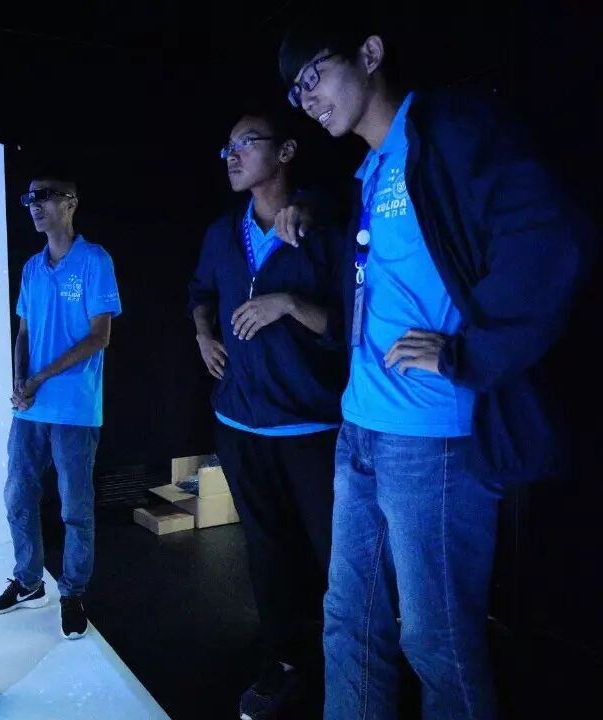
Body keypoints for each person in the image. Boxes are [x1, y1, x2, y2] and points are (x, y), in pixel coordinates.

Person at [276, 15, 592, 719]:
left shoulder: (453, 128)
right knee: (347, 621)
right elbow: (394, 260)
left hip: (432, 440)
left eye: (314, 75)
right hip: (359, 426)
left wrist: (468, 353)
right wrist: (313, 209)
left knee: (436, 642)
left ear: (369, 52)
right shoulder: (371, 168)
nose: (307, 98)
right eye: (296, 92)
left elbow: (550, 237)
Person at [187, 108, 348, 720]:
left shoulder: (324, 230)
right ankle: (284, 664)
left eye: (244, 143)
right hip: (240, 425)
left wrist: (287, 303)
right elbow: (200, 291)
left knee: (336, 556)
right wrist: (204, 334)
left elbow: (348, 326)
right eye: (225, 147)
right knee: (267, 553)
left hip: (311, 428)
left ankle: (354, 669)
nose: (230, 156)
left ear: (285, 152)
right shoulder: (221, 233)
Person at [0, 167, 122, 641]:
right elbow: (23, 331)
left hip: (75, 409)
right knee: (17, 495)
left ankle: (73, 592)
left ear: (70, 202)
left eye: (45, 196)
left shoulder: (94, 260)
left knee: (75, 507)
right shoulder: (31, 268)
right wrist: (20, 380)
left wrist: (39, 377)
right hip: (30, 407)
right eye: (30, 198)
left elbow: (99, 336)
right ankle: (28, 581)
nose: (35, 205)